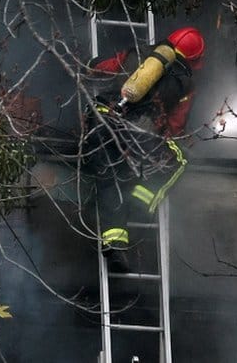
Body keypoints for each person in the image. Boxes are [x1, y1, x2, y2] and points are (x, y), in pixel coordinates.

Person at [84, 27, 205, 272]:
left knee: (109, 176)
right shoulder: (186, 84)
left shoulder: (136, 53)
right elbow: (175, 127)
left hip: (100, 122)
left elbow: (100, 69)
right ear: (194, 60)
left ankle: (115, 242)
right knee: (180, 159)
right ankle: (140, 202)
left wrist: (89, 63)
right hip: (136, 138)